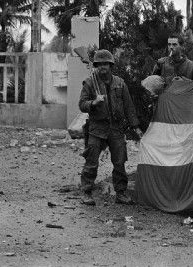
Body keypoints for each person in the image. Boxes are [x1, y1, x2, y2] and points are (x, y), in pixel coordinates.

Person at [78, 49, 143, 206]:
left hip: (116, 128)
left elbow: (128, 107)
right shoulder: (90, 83)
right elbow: (81, 104)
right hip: (97, 128)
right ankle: (86, 192)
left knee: (120, 162)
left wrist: (136, 127)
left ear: (111, 65)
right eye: (99, 64)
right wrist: (93, 103)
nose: (103, 67)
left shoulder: (120, 83)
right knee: (92, 161)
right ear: (96, 66)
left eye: (106, 64)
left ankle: (120, 193)